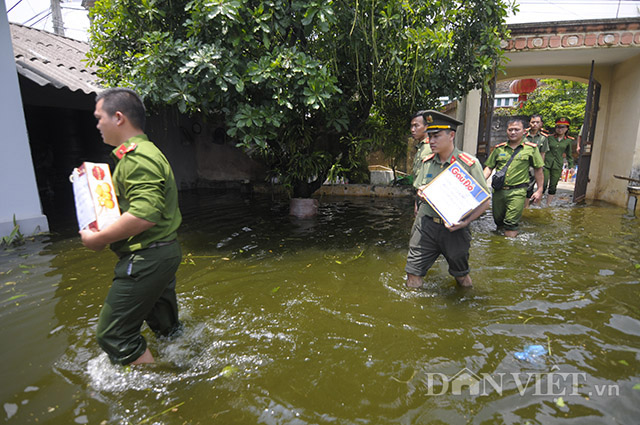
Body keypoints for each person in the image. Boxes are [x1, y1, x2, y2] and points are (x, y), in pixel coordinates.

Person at [79, 88, 183, 366]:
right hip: (162, 251)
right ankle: (185, 364)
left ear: (118, 118)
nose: (97, 124)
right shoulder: (138, 155)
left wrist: (98, 239)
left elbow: (143, 215)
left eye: (99, 117)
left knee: (114, 335)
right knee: (166, 329)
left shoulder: (137, 158)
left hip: (147, 256)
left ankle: (161, 389)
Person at [405, 110, 490, 289]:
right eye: (429, 136)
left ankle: (466, 308)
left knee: (461, 278)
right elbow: (419, 191)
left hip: (454, 230)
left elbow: (484, 201)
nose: (431, 141)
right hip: (425, 226)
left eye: (436, 136)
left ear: (451, 135)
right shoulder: (427, 162)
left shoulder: (468, 164)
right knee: (413, 273)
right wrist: (420, 197)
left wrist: (465, 222)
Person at [483, 118, 544, 238]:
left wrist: (539, 190)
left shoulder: (531, 149)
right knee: (498, 221)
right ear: (506, 131)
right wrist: (480, 181)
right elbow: (489, 168)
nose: (513, 132)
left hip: (517, 191)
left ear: (523, 131)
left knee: (511, 223)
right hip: (498, 192)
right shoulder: (499, 149)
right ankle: (498, 247)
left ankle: (509, 250)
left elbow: (538, 169)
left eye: (517, 129)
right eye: (510, 129)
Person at [543, 117, 575, 206]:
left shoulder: (568, 140)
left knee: (553, 186)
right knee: (543, 184)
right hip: (546, 164)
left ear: (567, 128)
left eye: (563, 127)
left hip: (557, 164)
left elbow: (569, 155)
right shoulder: (549, 138)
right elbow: (543, 151)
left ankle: (547, 205)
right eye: (558, 127)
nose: (560, 129)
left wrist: (571, 166)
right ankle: (537, 202)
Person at [524, 114, 549, 207]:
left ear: (541, 124)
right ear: (529, 123)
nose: (535, 124)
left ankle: (525, 208)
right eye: (533, 122)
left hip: (534, 167)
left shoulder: (543, 138)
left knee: (529, 188)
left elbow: (543, 153)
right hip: (523, 164)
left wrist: (540, 167)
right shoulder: (523, 135)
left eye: (537, 122)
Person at [410, 110, 432, 215]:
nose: (412, 130)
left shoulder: (429, 148)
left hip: (427, 197)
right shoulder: (421, 147)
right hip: (420, 195)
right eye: (411, 126)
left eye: (416, 126)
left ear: (426, 127)